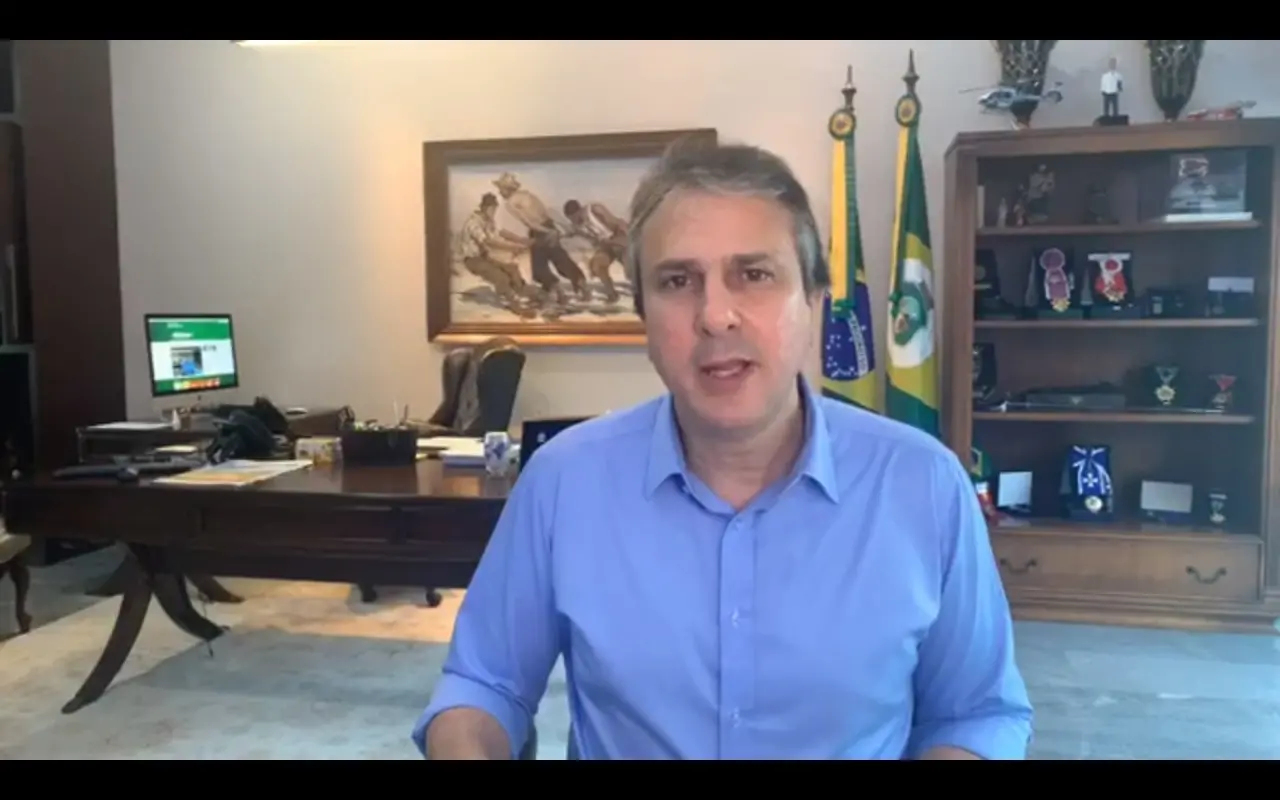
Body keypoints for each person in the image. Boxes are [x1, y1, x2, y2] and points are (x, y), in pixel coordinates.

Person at [413, 140, 1033, 760]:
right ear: (644, 318)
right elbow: (484, 683)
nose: (715, 316)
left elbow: (974, 714)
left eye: (754, 275)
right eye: (678, 281)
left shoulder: (923, 484)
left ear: (814, 302)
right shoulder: (562, 481)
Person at [492, 172, 587, 302]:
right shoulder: (528, 195)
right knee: (560, 259)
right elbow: (547, 212)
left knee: (539, 268)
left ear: (507, 188)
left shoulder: (510, 203)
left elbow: (528, 222)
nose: (500, 192)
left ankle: (556, 290)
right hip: (549, 225)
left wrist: (546, 232)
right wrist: (555, 228)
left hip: (540, 231)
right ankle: (579, 281)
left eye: (501, 189)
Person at [454, 192, 534, 307]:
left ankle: (522, 292)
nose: (494, 212)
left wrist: (521, 240)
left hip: (485, 257)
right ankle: (510, 299)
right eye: (492, 209)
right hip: (473, 260)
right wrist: (514, 247)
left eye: (495, 209)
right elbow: (488, 241)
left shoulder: (488, 220)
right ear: (485, 208)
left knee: (512, 268)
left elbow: (501, 232)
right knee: (499, 276)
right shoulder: (473, 222)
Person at [563, 198, 628, 304]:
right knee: (597, 265)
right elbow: (574, 233)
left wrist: (628, 239)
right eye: (570, 219)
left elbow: (617, 223)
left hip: (619, 238)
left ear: (578, 211)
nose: (573, 221)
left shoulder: (594, 210)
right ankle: (612, 295)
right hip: (606, 245)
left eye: (573, 218)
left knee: (630, 270)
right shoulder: (577, 226)